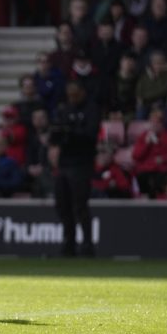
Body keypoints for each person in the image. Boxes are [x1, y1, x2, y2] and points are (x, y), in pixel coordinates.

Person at [49, 80, 100, 257]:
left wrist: (70, 134)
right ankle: (68, 242)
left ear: (82, 92)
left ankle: (87, 244)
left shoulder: (91, 109)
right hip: (64, 163)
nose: (72, 97)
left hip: (81, 163)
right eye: (69, 93)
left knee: (80, 205)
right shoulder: (65, 109)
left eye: (75, 93)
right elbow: (55, 135)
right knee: (62, 204)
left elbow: (90, 135)